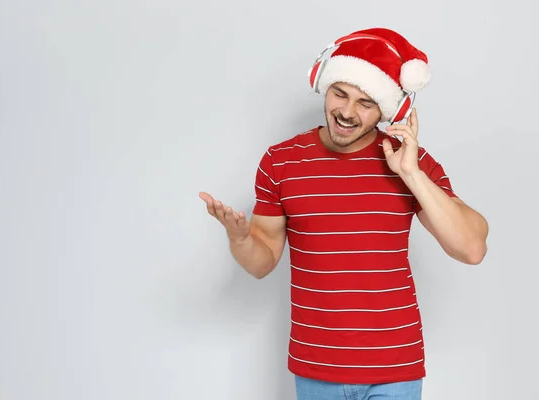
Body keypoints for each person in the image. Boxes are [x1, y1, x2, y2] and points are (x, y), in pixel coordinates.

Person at [199, 27, 489, 400]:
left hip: (395, 369)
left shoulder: (407, 161)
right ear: (324, 84)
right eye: (340, 94)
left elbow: (471, 248)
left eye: (365, 103)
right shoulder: (280, 162)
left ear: (387, 110)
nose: (347, 112)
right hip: (317, 368)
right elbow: (261, 262)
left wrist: (412, 174)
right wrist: (239, 239)